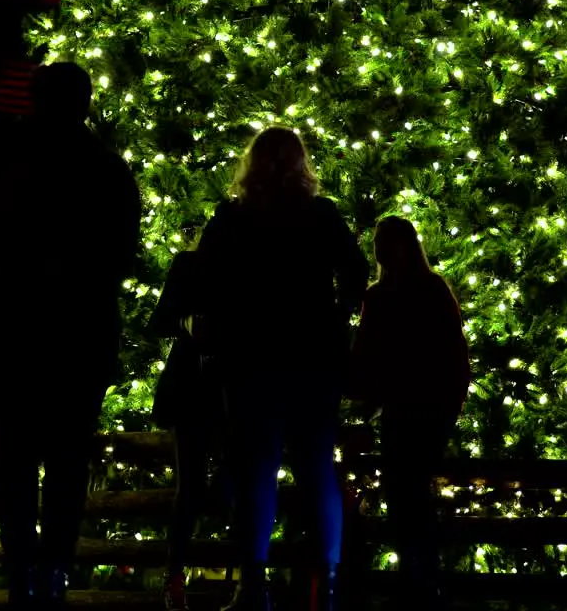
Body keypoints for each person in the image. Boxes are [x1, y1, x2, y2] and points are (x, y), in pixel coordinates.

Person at [0, 62, 141, 610]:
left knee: (15, 460)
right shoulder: (106, 170)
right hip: (78, 335)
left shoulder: (9, 166)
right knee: (65, 461)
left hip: (16, 331)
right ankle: (52, 567)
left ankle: (22, 569)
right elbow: (120, 255)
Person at [194, 127, 369, 611]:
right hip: (314, 353)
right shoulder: (320, 215)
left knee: (256, 468)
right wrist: (338, 315)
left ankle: (254, 583)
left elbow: (203, 276)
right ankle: (328, 586)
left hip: (251, 354)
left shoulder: (234, 218)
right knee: (316, 466)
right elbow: (355, 270)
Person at [349, 216, 470, 610]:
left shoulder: (416, 292)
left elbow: (453, 354)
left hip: (418, 410)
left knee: (409, 496)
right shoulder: (392, 294)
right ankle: (420, 580)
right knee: (408, 497)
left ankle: (419, 580)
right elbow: (365, 357)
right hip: (408, 411)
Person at [149, 250, 228, 611]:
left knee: (224, 482)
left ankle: (239, 576)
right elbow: (161, 319)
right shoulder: (190, 265)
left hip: (232, 385)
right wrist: (187, 324)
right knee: (192, 484)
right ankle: (176, 574)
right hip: (194, 387)